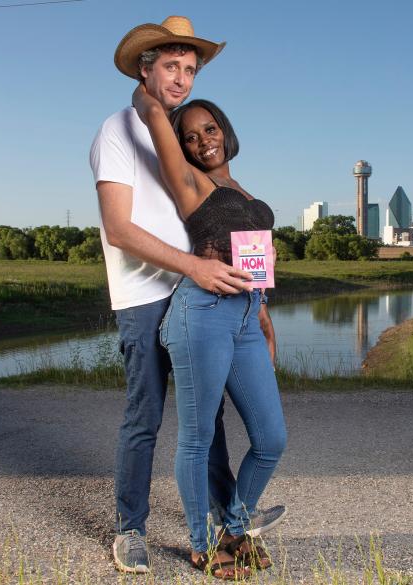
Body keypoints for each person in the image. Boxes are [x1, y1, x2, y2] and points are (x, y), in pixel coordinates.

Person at [89, 16, 284, 575]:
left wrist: (259, 303)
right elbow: (120, 230)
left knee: (208, 422)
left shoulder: (182, 134)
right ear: (146, 68)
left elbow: (231, 224)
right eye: (170, 66)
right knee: (145, 416)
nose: (180, 78)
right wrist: (195, 268)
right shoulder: (117, 131)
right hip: (146, 293)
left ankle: (228, 521)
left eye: (189, 69)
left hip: (205, 296)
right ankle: (130, 529)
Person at [132, 84, 287, 579]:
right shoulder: (190, 183)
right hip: (202, 313)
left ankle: (234, 526)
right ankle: (204, 545)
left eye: (211, 130)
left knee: (271, 439)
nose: (203, 142)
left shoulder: (242, 190)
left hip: (244, 315)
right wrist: (151, 87)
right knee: (198, 439)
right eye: (191, 136)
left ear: (226, 131)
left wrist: (262, 315)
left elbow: (253, 261)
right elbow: (155, 115)